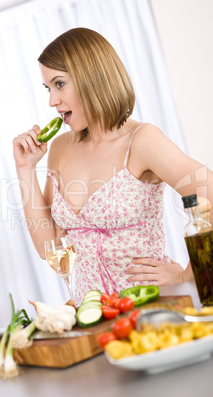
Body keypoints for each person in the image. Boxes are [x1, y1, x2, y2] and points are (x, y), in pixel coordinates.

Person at [13, 27, 213, 305]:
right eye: (48, 88)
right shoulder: (59, 148)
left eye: (59, 84)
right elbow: (51, 248)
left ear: (90, 77)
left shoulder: (142, 141)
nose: (52, 101)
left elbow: (210, 194)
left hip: (152, 306)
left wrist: (186, 276)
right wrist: (25, 169)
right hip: (94, 315)